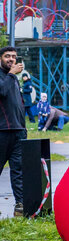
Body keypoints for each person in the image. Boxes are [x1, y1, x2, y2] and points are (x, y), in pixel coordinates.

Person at [0, 47, 26, 216]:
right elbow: (1, 91)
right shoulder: (9, 76)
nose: (11, 59)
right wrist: (11, 75)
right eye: (7, 56)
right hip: (2, 132)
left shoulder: (13, 78)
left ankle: (21, 206)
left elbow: (18, 105)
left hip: (18, 131)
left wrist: (23, 129)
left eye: (14, 57)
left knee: (18, 170)